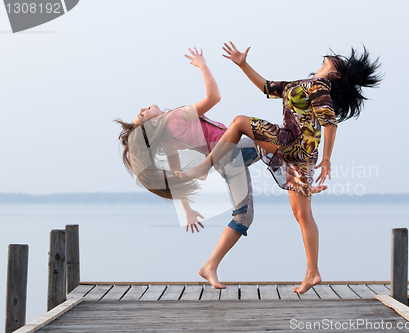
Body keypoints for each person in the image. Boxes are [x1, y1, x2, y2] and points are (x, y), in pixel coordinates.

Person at [115, 47, 328, 289]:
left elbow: (175, 174)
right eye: (142, 117)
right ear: (152, 124)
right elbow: (213, 97)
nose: (142, 110)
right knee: (270, 147)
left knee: (245, 212)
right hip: (232, 154)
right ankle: (300, 182)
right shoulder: (173, 118)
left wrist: (186, 208)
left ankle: (210, 266)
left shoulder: (167, 136)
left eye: (140, 112)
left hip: (227, 160)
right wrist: (203, 65)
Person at [177, 42, 382, 293]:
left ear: (336, 73)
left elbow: (330, 123)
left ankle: (204, 167)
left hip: (292, 143)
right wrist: (243, 64)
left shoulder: (319, 86)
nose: (333, 55)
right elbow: (266, 87)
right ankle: (312, 273)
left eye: (339, 60)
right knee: (302, 215)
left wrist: (327, 160)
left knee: (240, 122)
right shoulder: (301, 85)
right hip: (303, 154)